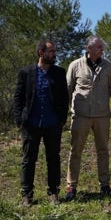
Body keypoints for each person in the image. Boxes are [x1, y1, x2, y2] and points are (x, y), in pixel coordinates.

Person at [14, 40, 69, 206]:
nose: (54, 54)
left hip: (53, 123)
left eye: (55, 51)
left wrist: (61, 119)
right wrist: (19, 119)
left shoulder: (59, 73)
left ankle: (53, 192)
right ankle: (27, 194)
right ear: (41, 53)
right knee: (29, 159)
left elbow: (64, 98)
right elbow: (18, 97)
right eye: (51, 51)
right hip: (31, 124)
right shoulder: (26, 72)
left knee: (53, 158)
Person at [65, 36, 111, 201]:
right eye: (99, 47)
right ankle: (71, 186)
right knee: (75, 151)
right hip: (81, 116)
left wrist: (100, 103)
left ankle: (105, 184)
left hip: (102, 116)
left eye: (102, 47)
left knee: (103, 151)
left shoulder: (107, 66)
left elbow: (110, 88)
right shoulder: (75, 65)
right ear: (89, 48)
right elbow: (68, 88)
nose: (102, 50)